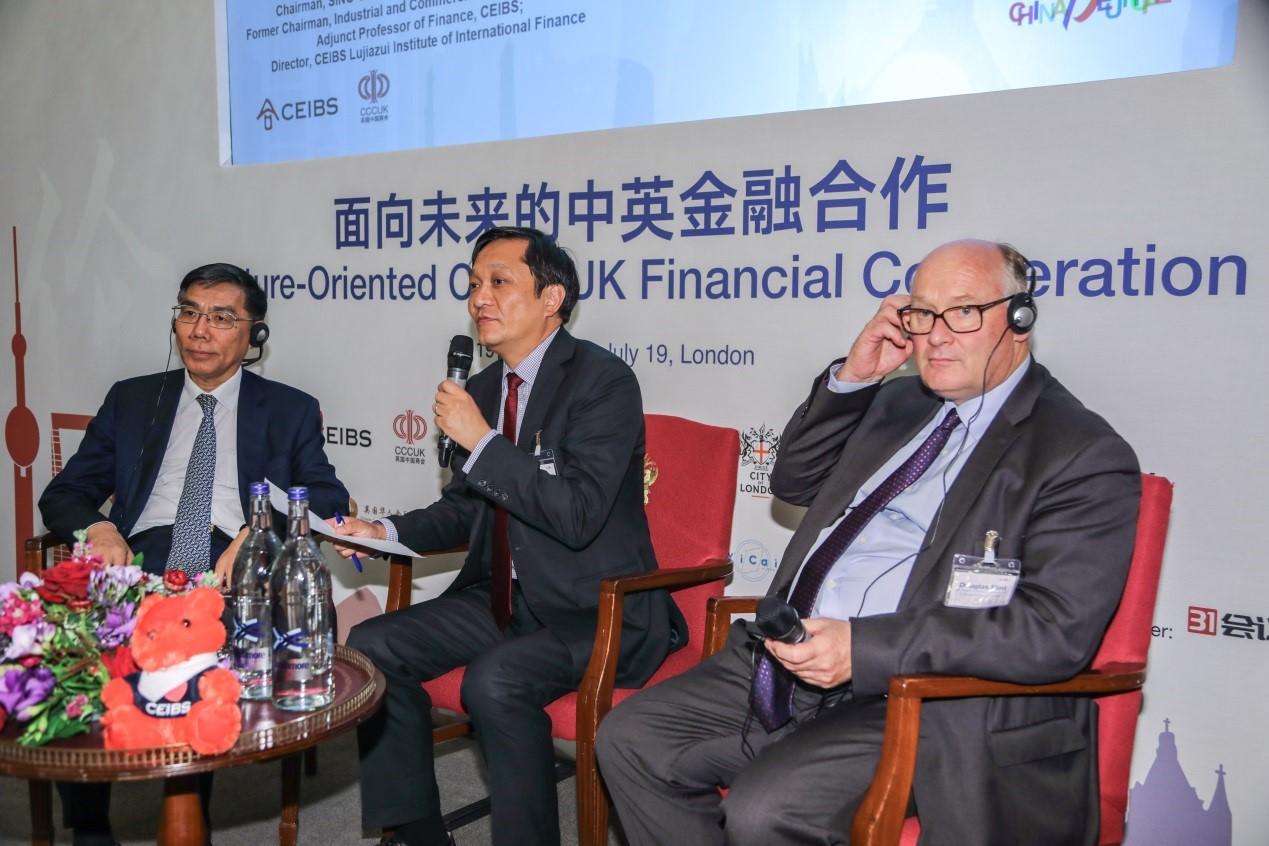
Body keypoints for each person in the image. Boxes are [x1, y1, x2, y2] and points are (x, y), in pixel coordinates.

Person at [596, 239, 1142, 846]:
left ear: (1019, 319)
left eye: (963, 312)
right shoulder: (899, 401)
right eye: (922, 312)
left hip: (924, 694)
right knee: (629, 739)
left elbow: (1052, 631)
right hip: (789, 658)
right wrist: (854, 379)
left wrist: (864, 648)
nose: (936, 335)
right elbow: (794, 481)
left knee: (765, 811)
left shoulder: (1078, 452)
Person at [332, 226, 684, 846]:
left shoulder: (603, 382)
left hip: (595, 608)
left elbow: (577, 515)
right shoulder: (485, 389)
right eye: (473, 284)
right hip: (501, 600)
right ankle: (417, 836)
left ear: (553, 297)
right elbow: (465, 511)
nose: (479, 299)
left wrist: (482, 440)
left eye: (499, 282)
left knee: (494, 681)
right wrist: (380, 530)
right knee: (372, 645)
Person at [38, 261, 349, 846]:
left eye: (221, 318)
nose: (199, 330)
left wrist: (259, 532)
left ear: (254, 334)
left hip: (232, 560)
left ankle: (188, 814)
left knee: (193, 648)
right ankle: (89, 826)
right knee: (70, 646)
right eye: (188, 312)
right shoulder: (134, 399)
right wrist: (99, 529)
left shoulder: (289, 409)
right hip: (138, 556)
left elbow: (327, 496)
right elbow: (64, 493)